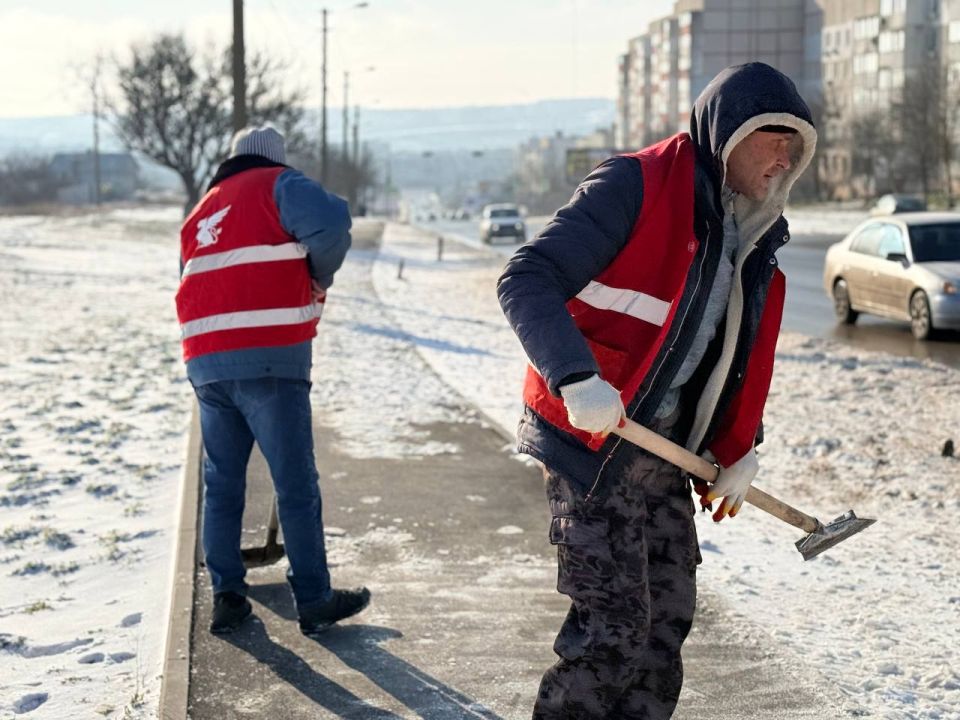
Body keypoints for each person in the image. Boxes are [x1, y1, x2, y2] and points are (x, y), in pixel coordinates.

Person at [497, 63, 816, 719]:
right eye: (773, 138)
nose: (785, 158)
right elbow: (525, 278)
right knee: (611, 634)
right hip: (592, 438)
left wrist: (740, 449)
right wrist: (575, 376)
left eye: (796, 145)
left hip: (663, 451)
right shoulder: (635, 187)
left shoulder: (752, 237)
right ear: (729, 136)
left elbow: (728, 358)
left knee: (664, 629)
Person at [176, 126, 370, 636]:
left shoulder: (200, 212)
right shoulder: (279, 184)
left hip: (206, 362)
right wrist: (317, 275)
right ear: (272, 158)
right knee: (295, 484)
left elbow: (190, 278)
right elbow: (333, 223)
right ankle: (314, 598)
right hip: (269, 357)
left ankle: (227, 599)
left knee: (222, 484)